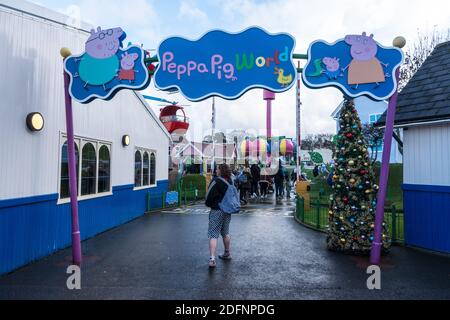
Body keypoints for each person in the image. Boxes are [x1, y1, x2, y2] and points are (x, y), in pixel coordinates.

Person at [205, 164, 237, 268]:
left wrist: (209, 204)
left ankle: (212, 259)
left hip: (217, 210)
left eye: (217, 168)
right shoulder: (230, 181)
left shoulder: (216, 181)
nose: (216, 170)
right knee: (225, 232)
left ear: (220, 170)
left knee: (213, 234)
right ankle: (227, 253)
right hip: (227, 210)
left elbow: (208, 196)